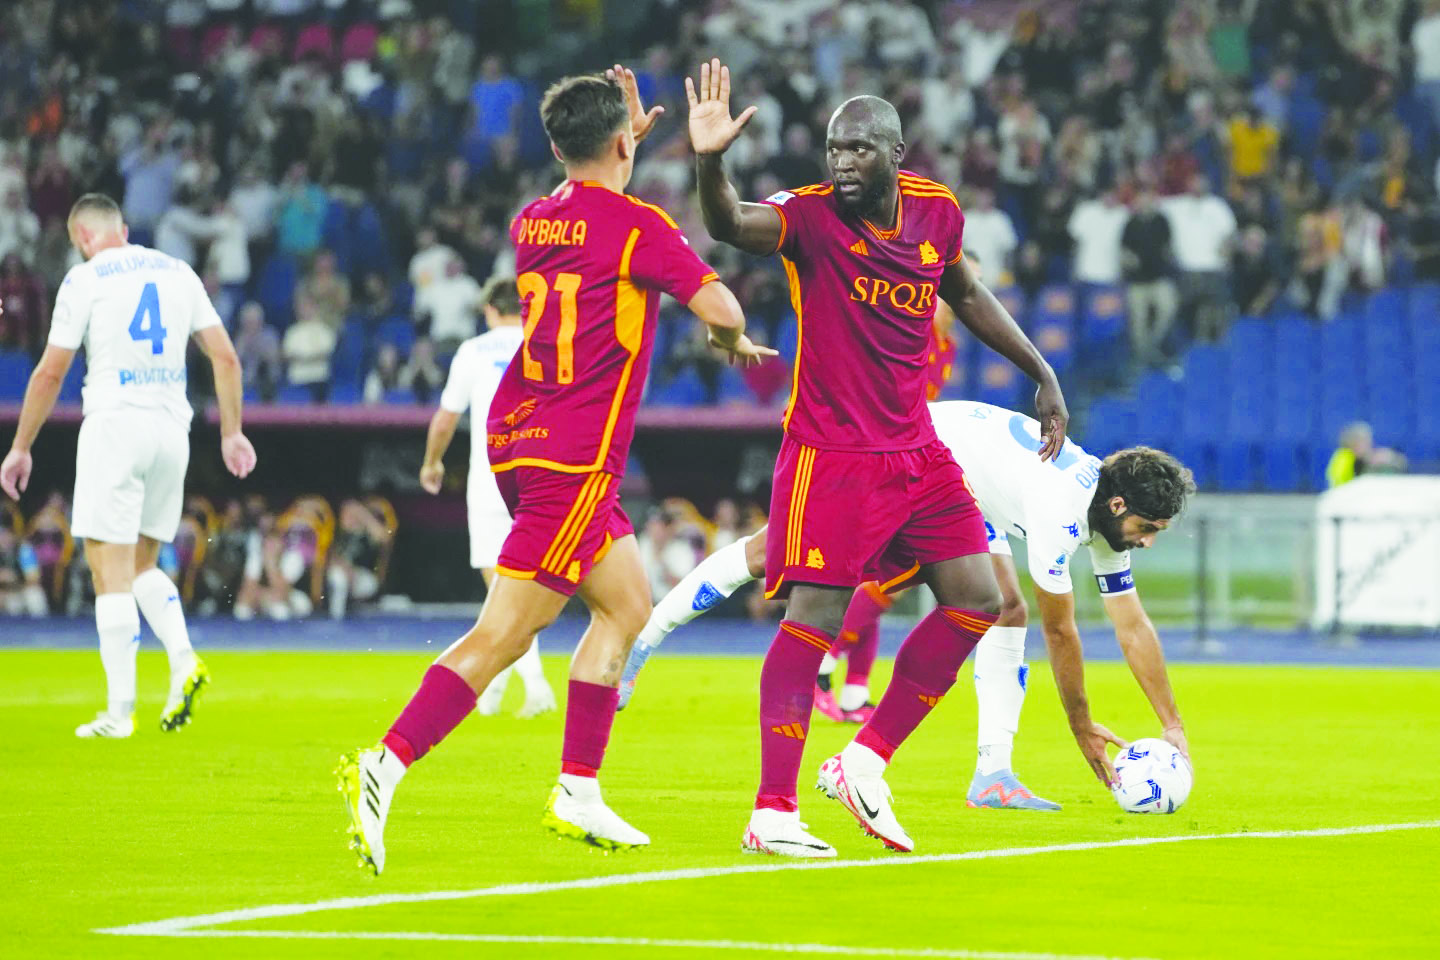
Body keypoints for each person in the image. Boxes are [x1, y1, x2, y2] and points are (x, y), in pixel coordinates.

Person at [337, 66, 772, 874]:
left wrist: (619, 144)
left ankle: (579, 789)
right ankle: (385, 763)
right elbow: (725, 307)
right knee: (505, 634)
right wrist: (729, 340)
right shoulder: (640, 226)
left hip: (517, 434)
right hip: (574, 455)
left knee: (627, 605)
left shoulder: (534, 220)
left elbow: (585, 203)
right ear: (622, 144)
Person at [689, 58, 1067, 857]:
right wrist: (710, 162)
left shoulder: (937, 212)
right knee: (814, 622)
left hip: (915, 449)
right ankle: (771, 812)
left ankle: (862, 761)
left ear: (896, 152)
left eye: (859, 149)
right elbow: (730, 224)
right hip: (831, 453)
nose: (843, 163)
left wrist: (1041, 371)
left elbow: (966, 294)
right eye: (834, 149)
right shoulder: (809, 217)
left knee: (978, 600)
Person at [624, 401, 1193, 804]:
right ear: (1118, 505)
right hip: (907, 455)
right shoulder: (1061, 506)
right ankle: (645, 637)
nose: (1146, 542)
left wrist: (1172, 725)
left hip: (968, 482)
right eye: (1147, 528)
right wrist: (1081, 725)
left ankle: (993, 775)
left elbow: (1132, 626)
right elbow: (1061, 631)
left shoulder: (1104, 518)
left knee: (1001, 605)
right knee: (772, 552)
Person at [0, 194, 257, 738]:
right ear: (123, 227)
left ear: (83, 237)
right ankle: (183, 659)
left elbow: (49, 373)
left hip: (116, 427)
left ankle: (119, 713)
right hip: (172, 432)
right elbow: (227, 357)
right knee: (142, 565)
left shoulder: (85, 278)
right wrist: (232, 432)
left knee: (107, 569)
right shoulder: (179, 271)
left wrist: (21, 446)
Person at [418, 274, 556, 719]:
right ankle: (494, 689)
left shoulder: (473, 351)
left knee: (501, 587)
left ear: (490, 310)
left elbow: (445, 419)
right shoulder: (547, 344)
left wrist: (432, 462)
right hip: (542, 476)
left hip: (491, 477)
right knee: (515, 589)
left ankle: (536, 686)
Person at [1326, 421, 1408, 487]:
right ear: (1353, 443)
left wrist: (1391, 458)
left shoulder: (1362, 457)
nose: (1369, 445)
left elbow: (1402, 464)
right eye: (1364, 442)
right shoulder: (1344, 457)